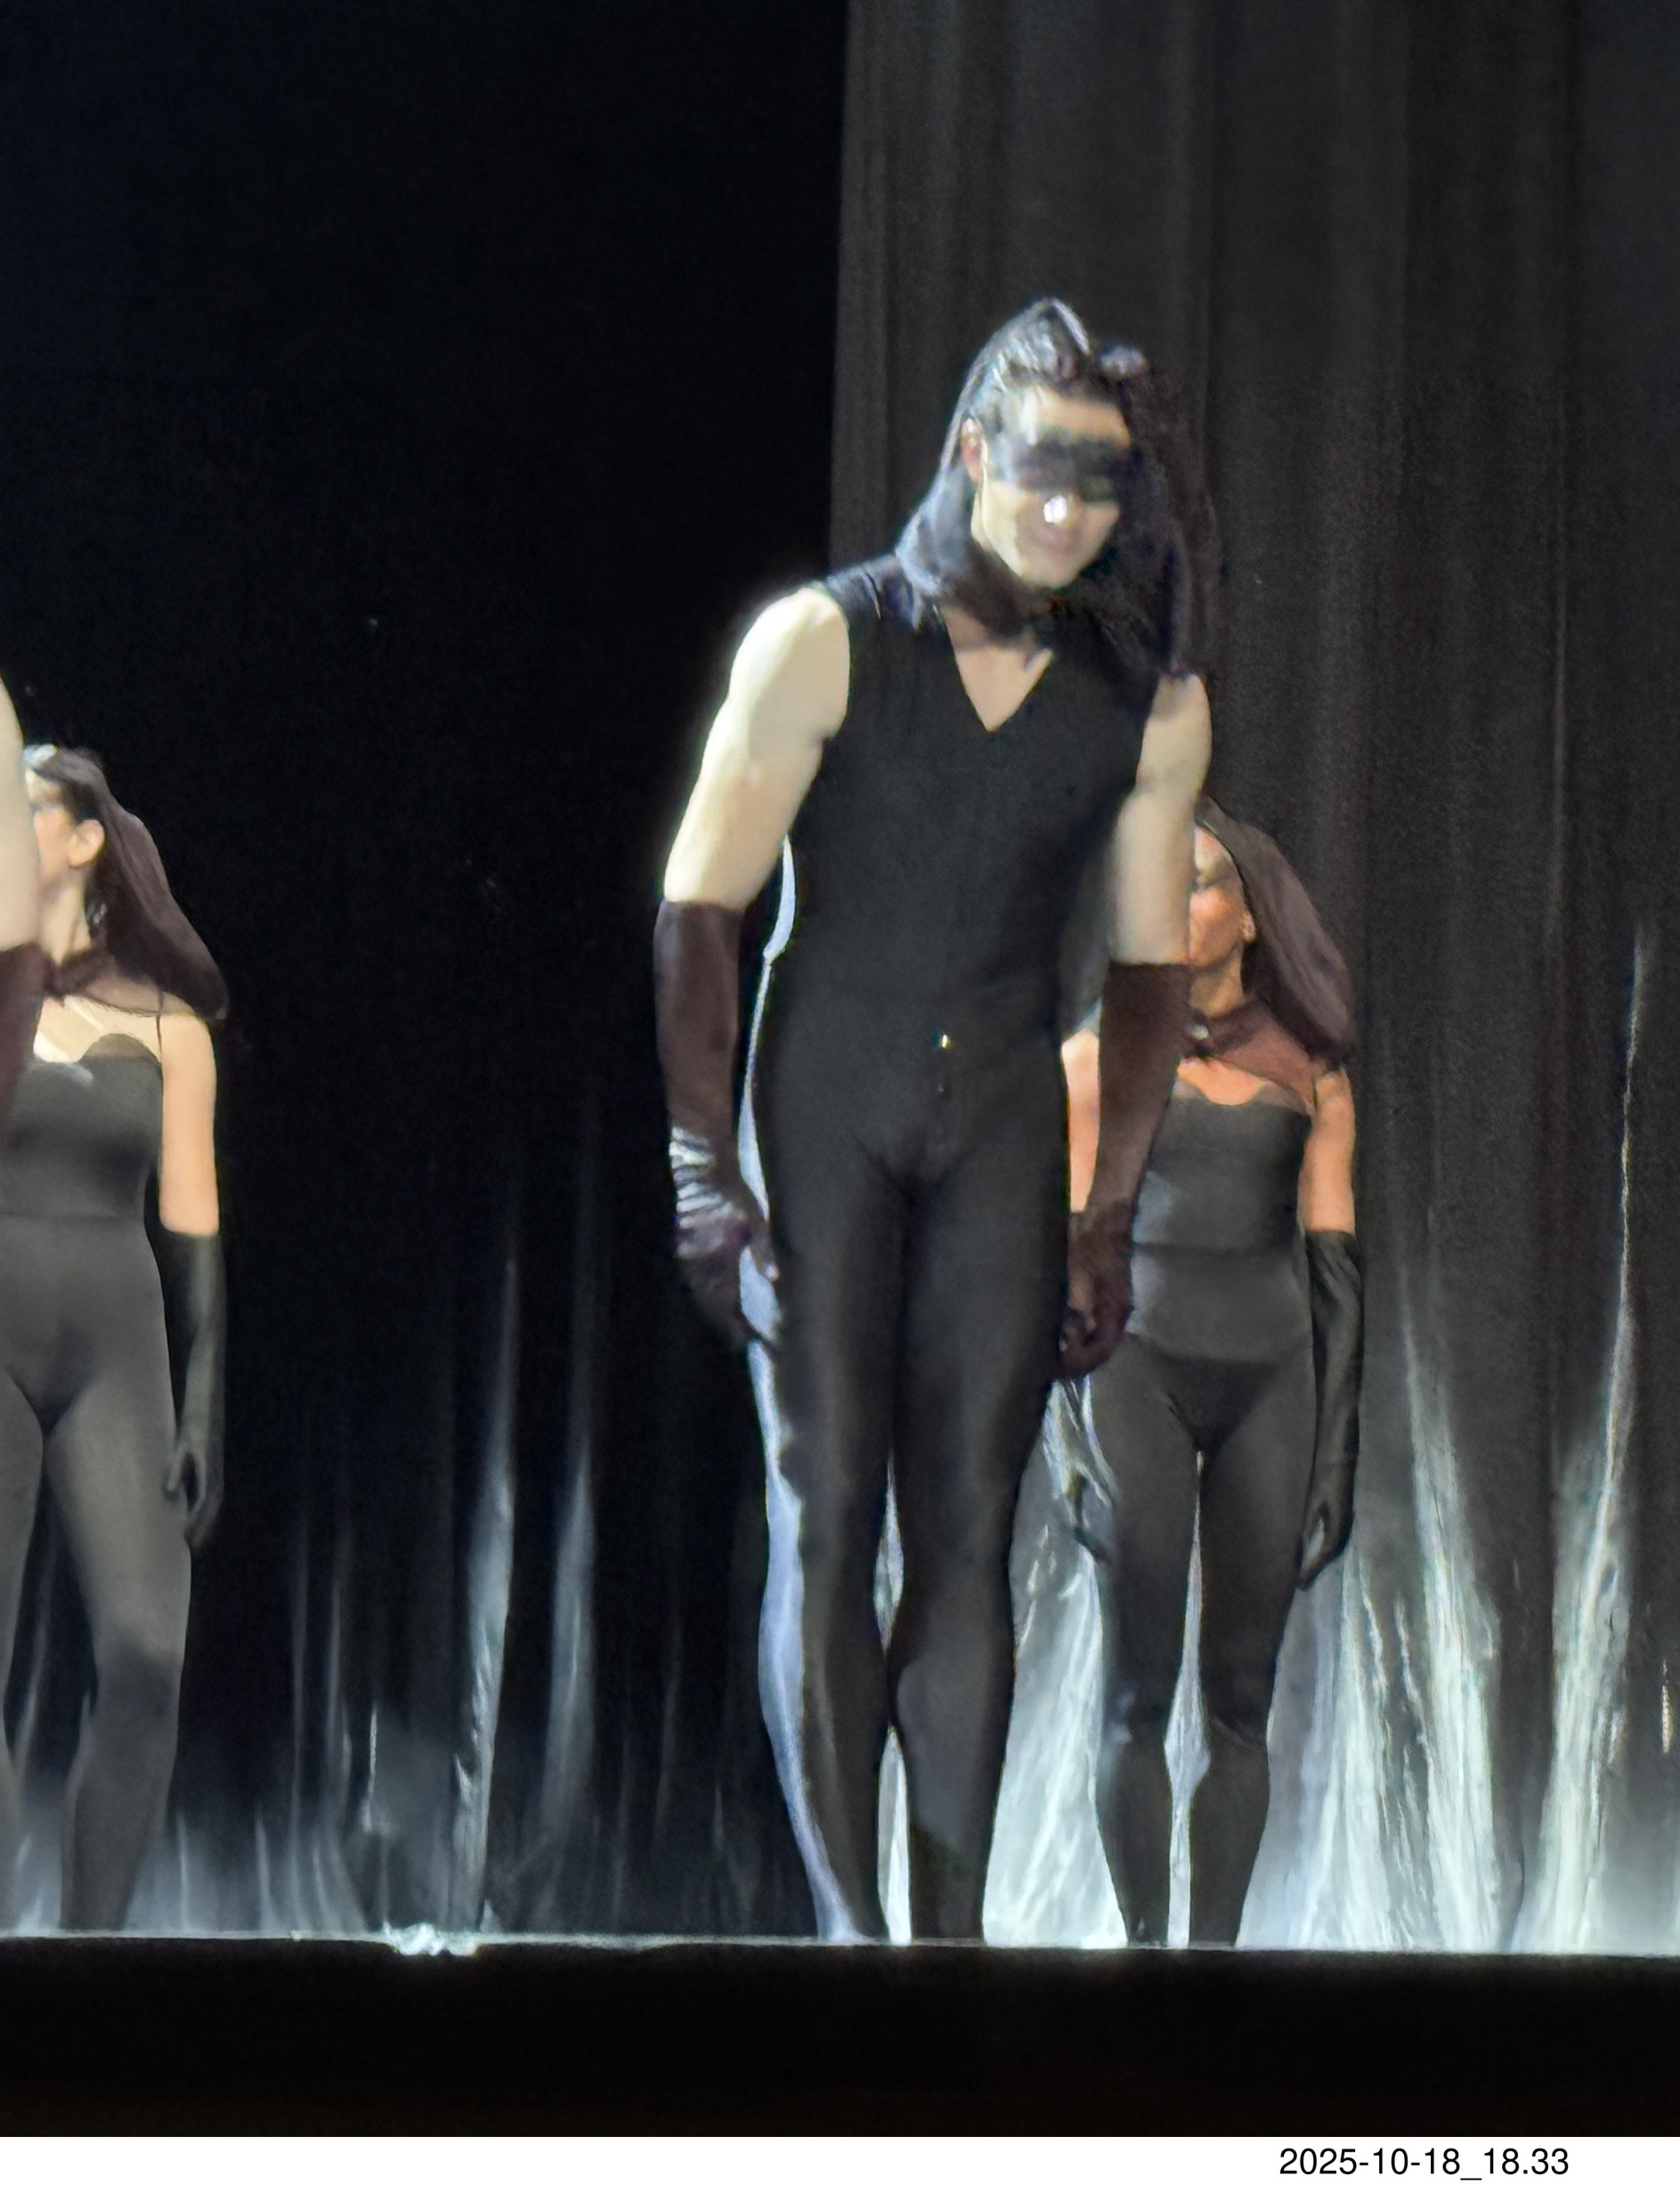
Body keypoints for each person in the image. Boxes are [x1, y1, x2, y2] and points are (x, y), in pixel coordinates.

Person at [657, 297, 1213, 1940]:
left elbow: (1151, 972)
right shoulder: (825, 642)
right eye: (1041, 467)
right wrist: (702, 1169)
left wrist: (1107, 1211)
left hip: (1001, 1130)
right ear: (973, 450)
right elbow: (700, 911)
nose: (1067, 508)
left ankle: (948, 1941)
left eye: (1101, 483)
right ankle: (855, 1937)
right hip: (824, 1102)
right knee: (829, 1510)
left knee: (968, 1527)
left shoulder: (1143, 703)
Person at [1062, 803, 1359, 1945]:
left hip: (1270, 1383)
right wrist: (1063, 1435)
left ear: (1248, 915)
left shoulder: (1310, 1075)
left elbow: (1337, 1278)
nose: (1170, 905)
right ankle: (1146, 1957)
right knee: (1137, 1691)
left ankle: (1212, 1965)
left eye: (1195, 884)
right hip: (1136, 1369)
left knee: (1240, 1702)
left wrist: (1336, 1449)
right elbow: (1063, 1267)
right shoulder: (1094, 1062)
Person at [0, 742, 228, 1929]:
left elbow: (194, 1227)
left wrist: (204, 1403)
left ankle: (89, 1964)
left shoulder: (169, 1026)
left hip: (116, 1350)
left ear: (85, 838)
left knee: (146, 1657)